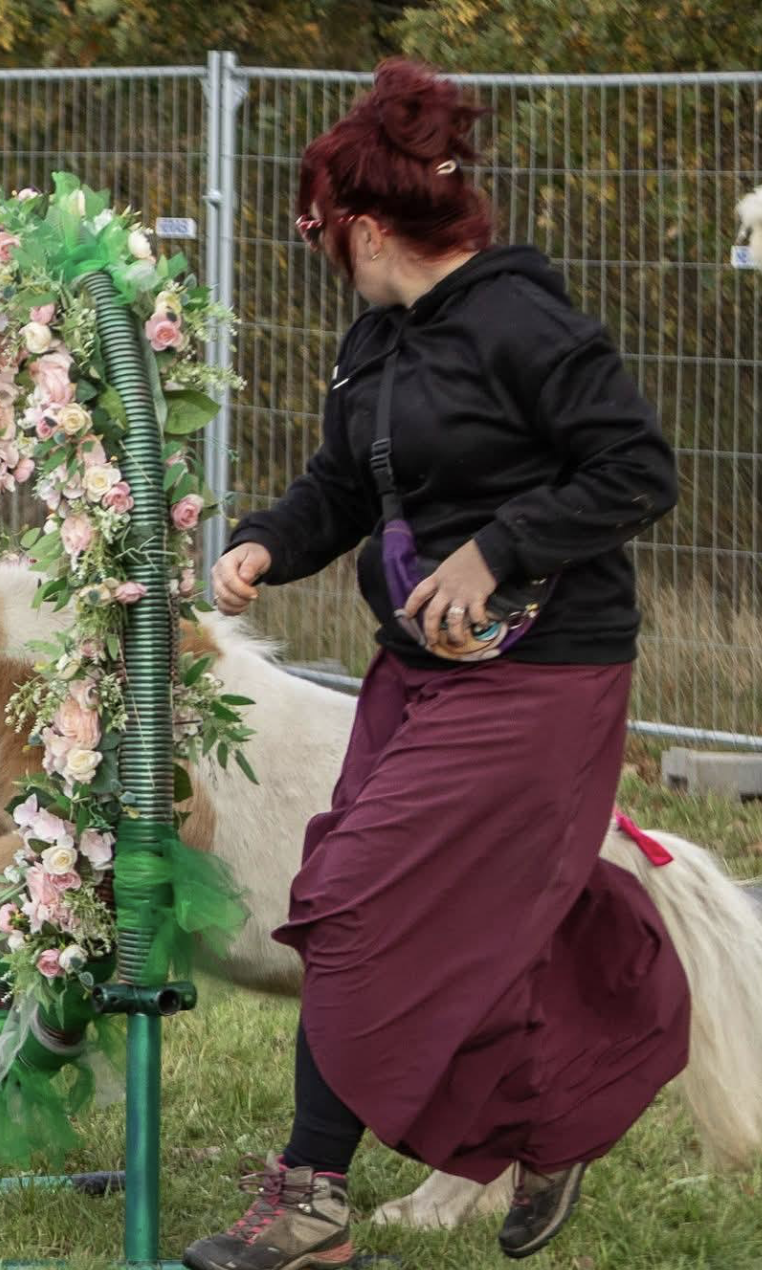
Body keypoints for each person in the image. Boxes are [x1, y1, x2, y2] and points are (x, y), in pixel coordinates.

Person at [185, 59, 691, 1270]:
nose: (317, 251)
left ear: (359, 226)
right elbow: (341, 485)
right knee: (346, 899)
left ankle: (310, 1198)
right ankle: (514, 1128)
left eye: (313, 229)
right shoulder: (375, 336)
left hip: (542, 671)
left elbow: (635, 471)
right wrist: (266, 540)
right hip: (417, 666)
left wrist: (496, 549)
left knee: (354, 896)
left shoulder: (526, 323)